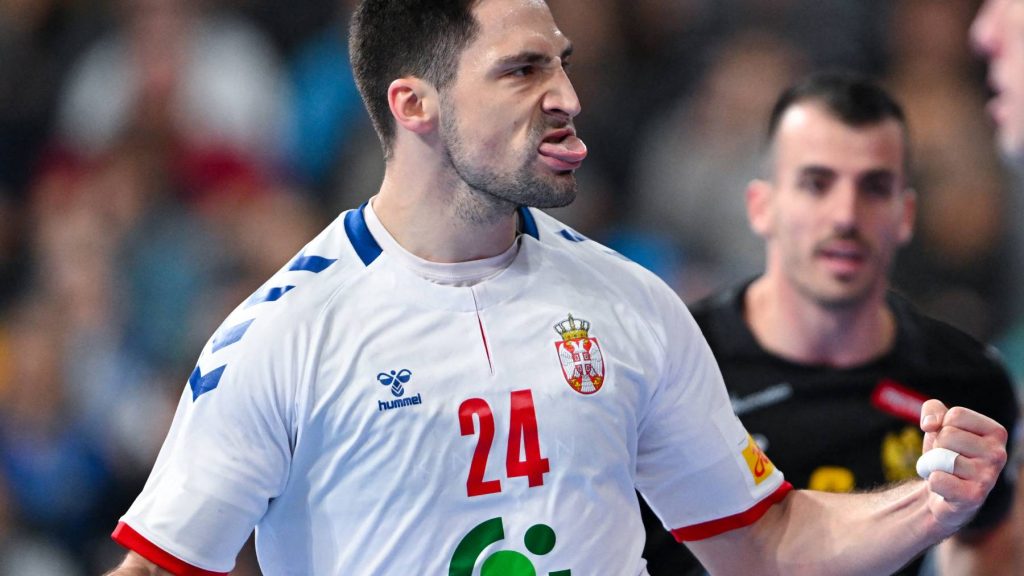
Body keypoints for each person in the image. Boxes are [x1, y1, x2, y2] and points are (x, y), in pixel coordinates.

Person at [105, 2, 1008, 575]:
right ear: (414, 105)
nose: (567, 95)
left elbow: (765, 544)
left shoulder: (630, 303)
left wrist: (933, 501)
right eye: (523, 69)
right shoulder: (284, 334)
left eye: (562, 63)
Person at [639, 71, 1020, 576]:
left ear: (906, 214)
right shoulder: (671, 361)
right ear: (761, 206)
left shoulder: (966, 382)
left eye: (874, 188)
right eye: (816, 184)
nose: (845, 215)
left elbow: (988, 547)